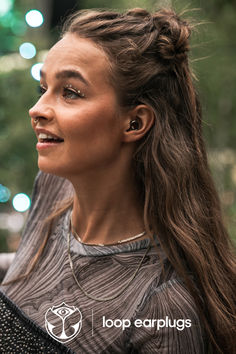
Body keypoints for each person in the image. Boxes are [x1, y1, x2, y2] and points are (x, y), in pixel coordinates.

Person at [0, 7, 235, 354]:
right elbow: (35, 271)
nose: (38, 108)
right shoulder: (54, 188)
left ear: (135, 123)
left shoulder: (164, 308)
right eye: (43, 87)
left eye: (70, 92)